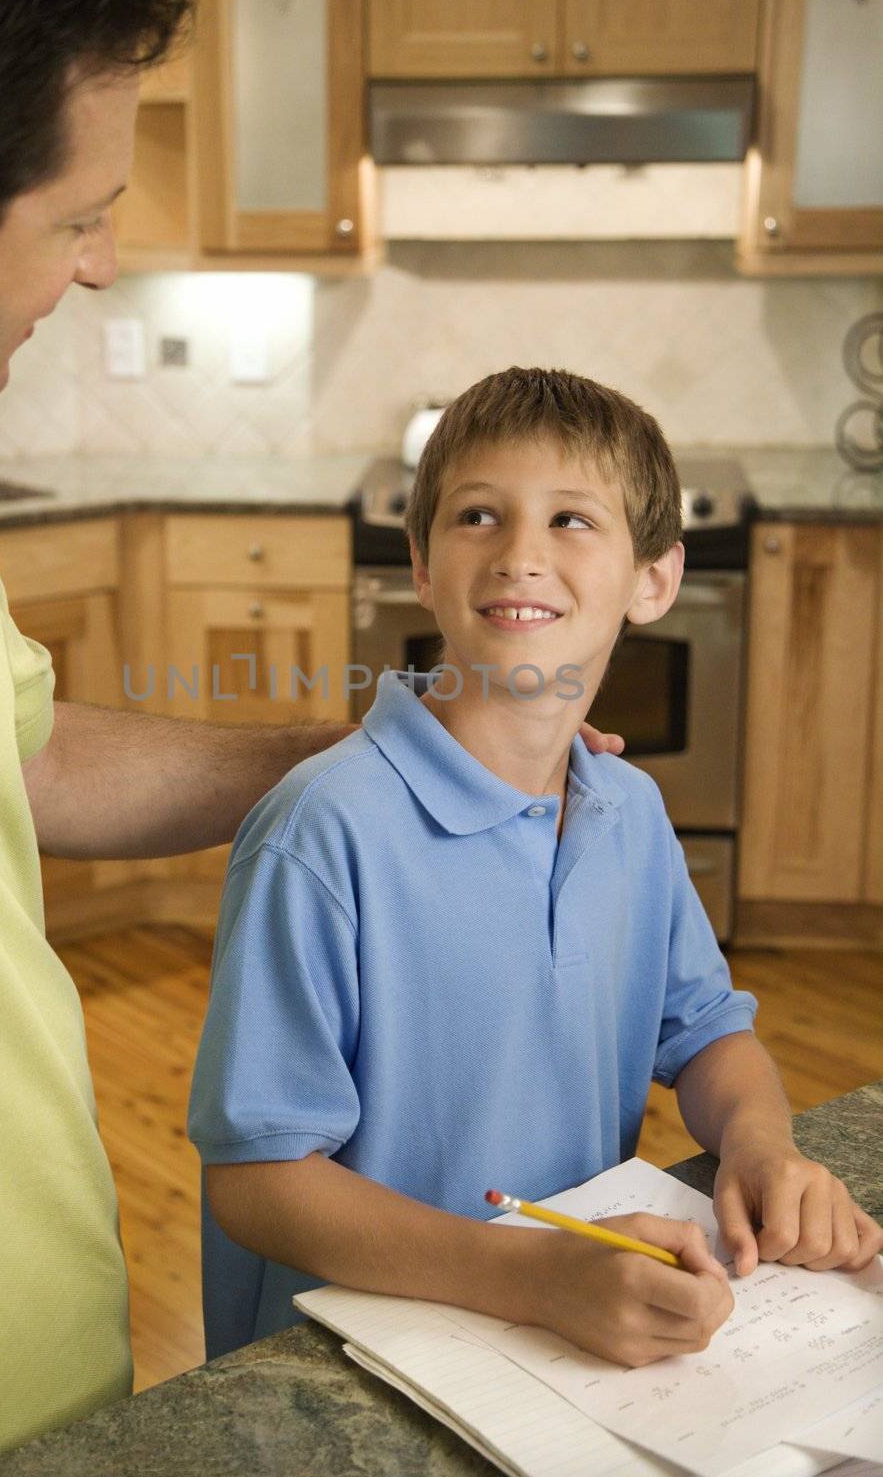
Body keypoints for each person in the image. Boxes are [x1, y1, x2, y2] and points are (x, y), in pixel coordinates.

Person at [0, 0, 626, 1475]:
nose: (107, 263)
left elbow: (25, 765)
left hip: (36, 1339)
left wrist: (383, 750)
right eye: (77, 215)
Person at [188, 365, 883, 1366]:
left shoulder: (628, 811)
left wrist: (759, 1145)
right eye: (477, 515)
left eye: (569, 520)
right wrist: (526, 1277)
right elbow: (256, 1178)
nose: (519, 555)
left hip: (565, 1336)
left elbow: (704, 1034)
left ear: (653, 579)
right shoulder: (321, 830)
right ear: (421, 564)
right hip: (351, 1360)